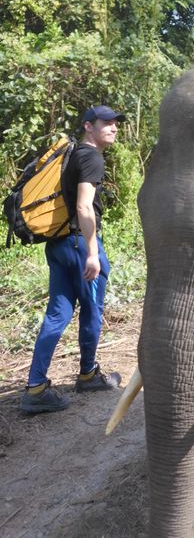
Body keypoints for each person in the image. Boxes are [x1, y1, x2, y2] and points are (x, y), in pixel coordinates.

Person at [19, 105, 125, 414]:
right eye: (106, 122)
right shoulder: (91, 157)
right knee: (92, 309)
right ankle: (89, 374)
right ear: (88, 126)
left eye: (116, 122)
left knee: (58, 314)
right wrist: (92, 252)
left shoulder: (73, 154)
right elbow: (83, 207)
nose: (114, 127)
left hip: (58, 245)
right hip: (80, 245)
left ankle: (36, 387)